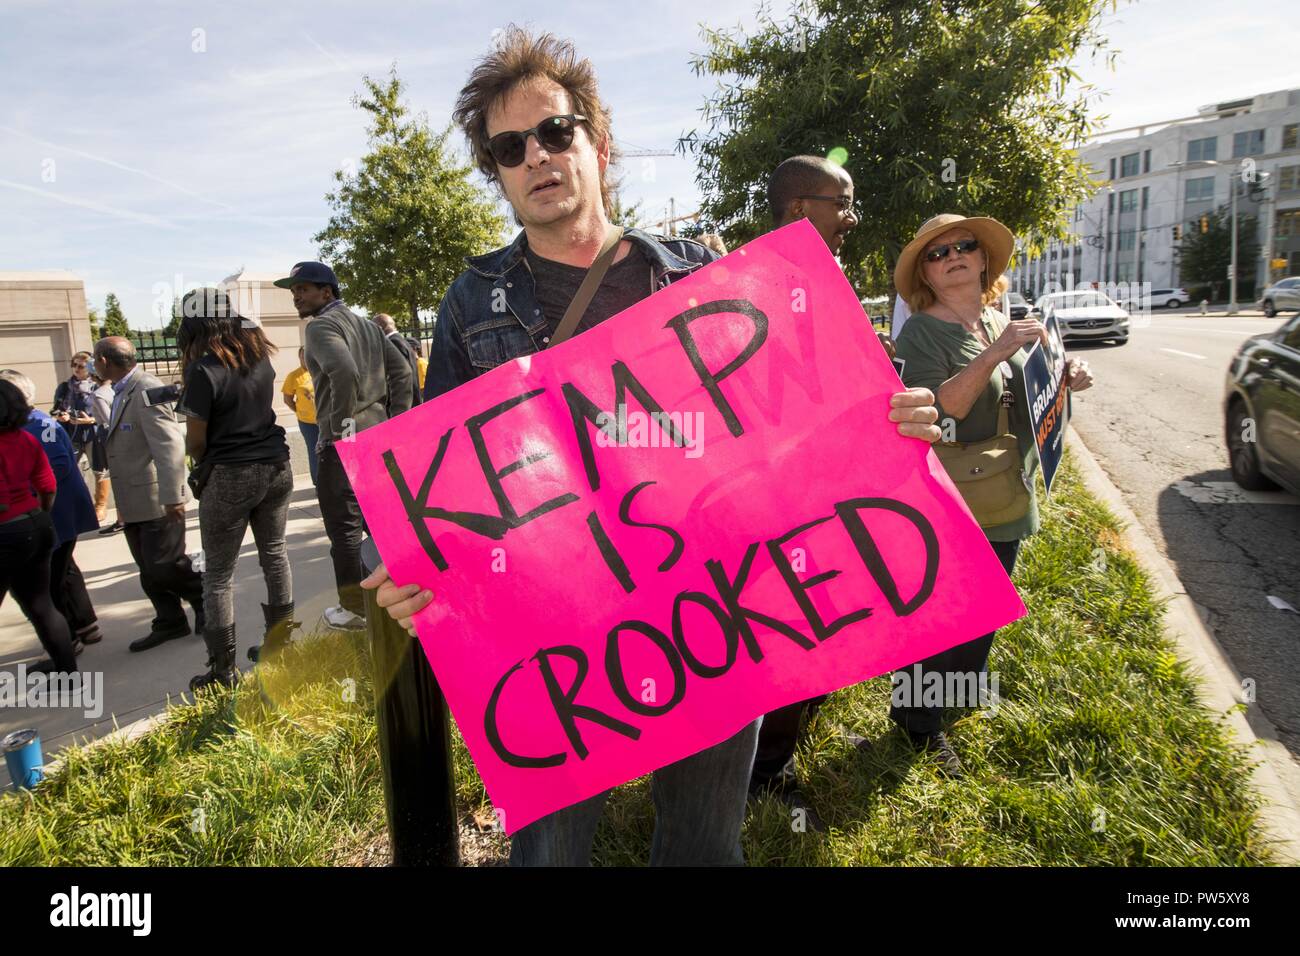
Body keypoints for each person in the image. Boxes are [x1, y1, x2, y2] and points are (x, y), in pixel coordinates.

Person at [362, 27, 941, 866]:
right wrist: (413, 563)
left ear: (598, 144)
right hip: (554, 641)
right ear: (498, 172)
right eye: (510, 147)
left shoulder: (705, 278)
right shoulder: (472, 302)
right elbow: (442, 469)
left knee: (705, 847)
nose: (537, 157)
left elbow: (795, 428)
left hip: (716, 611)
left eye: (555, 132)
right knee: (550, 856)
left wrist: (887, 425)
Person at [887, 213, 1094, 774]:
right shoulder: (921, 333)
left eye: (964, 246)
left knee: (986, 609)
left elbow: (1032, 394)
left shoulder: (1005, 321)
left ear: (984, 261)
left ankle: (953, 700)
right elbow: (939, 406)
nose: (952, 255)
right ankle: (916, 727)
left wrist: (1065, 374)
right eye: (937, 252)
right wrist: (995, 352)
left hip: (1008, 488)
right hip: (950, 496)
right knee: (944, 613)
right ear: (925, 276)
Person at [272, 262, 413, 630]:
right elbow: (401, 371)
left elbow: (344, 371)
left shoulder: (320, 327)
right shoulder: (367, 325)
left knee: (345, 531)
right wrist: (393, 420)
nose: (296, 297)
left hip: (345, 447)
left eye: (303, 289)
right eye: (294, 291)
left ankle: (355, 609)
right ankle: (401, 596)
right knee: (384, 524)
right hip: (376, 440)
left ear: (327, 292)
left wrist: (338, 429)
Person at [175, 290, 296, 689]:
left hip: (230, 473)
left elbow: (195, 442)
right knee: (275, 556)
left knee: (218, 575)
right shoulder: (258, 355)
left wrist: (200, 462)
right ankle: (282, 647)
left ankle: (222, 670)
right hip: (277, 465)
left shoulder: (203, 370)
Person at [94, 335, 206, 652]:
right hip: (133, 500)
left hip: (156, 499)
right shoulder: (119, 390)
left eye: (94, 359)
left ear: (104, 361)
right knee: (148, 568)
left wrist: (174, 496)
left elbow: (169, 443)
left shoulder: (147, 388)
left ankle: (204, 597)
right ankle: (170, 621)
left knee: (164, 565)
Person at [0, 369, 102, 652]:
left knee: (51, 581)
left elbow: (56, 467)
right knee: (65, 570)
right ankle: (85, 625)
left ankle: (68, 639)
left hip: (54, 512)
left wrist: (28, 499)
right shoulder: (27, 424)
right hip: (48, 512)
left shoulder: (40, 424)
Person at [0, 379, 79, 675]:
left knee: (39, 604)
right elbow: (48, 486)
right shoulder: (25, 439)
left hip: (7, 530)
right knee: (42, 604)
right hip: (36, 523)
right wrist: (39, 515)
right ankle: (68, 674)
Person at [51, 351, 98, 470]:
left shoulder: (98, 387)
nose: (76, 368)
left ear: (90, 368)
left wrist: (90, 420)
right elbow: (55, 410)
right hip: (71, 434)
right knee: (69, 470)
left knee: (99, 472)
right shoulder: (64, 387)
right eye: (74, 364)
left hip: (93, 434)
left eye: (81, 366)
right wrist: (61, 415)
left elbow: (111, 414)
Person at [282, 347, 319, 485]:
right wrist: (299, 411)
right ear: (299, 358)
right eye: (302, 356)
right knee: (314, 452)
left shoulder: (320, 371)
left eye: (308, 355)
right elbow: (287, 399)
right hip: (307, 422)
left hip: (325, 420)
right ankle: (318, 484)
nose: (305, 359)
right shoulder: (294, 376)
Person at [370, 313, 422, 410]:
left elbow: (400, 376)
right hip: (411, 402)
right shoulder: (401, 341)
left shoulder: (394, 342)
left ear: (380, 328)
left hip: (405, 405)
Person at [90, 369, 120, 531]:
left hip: (105, 435)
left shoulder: (99, 393)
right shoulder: (117, 388)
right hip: (117, 434)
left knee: (109, 474)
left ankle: (121, 518)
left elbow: (109, 419)